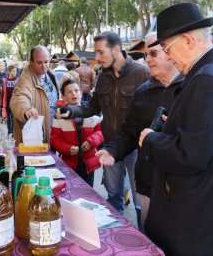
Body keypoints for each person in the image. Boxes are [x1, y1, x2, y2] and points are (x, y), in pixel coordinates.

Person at [138, 2, 213, 254]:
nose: (167, 56)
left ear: (188, 40)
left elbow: (190, 154)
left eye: (166, 48)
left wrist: (150, 140)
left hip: (200, 220)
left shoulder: (207, 79)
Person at [57, 31, 150, 222]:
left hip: (136, 149)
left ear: (116, 49)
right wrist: (72, 111)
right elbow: (93, 107)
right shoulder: (103, 77)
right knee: (113, 196)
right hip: (110, 148)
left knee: (140, 201)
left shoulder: (142, 74)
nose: (97, 58)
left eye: (101, 52)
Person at [96, 32, 184, 229]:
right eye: (146, 55)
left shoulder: (192, 87)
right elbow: (128, 132)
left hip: (182, 188)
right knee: (148, 235)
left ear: (170, 53)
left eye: (153, 53)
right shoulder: (143, 92)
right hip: (148, 183)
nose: (147, 60)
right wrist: (113, 150)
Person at [51, 79, 103, 187]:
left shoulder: (93, 112)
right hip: (69, 163)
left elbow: (101, 132)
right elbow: (55, 139)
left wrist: (91, 141)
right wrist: (67, 148)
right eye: (69, 92)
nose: (74, 94)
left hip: (88, 163)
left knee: (87, 192)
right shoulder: (60, 115)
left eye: (76, 90)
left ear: (81, 93)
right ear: (63, 96)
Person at [10, 45, 60, 145]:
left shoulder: (51, 74)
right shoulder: (25, 79)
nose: (44, 65)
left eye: (46, 62)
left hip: (53, 133)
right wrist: (27, 109)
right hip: (34, 138)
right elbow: (19, 97)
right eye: (39, 62)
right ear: (31, 62)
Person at [0, 65, 18, 134]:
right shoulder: (5, 81)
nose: (15, 73)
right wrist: (1, 103)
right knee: (8, 117)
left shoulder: (18, 80)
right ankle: (9, 131)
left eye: (16, 71)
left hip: (15, 102)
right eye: (13, 71)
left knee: (14, 117)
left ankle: (14, 131)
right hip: (7, 101)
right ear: (9, 71)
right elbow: (3, 93)